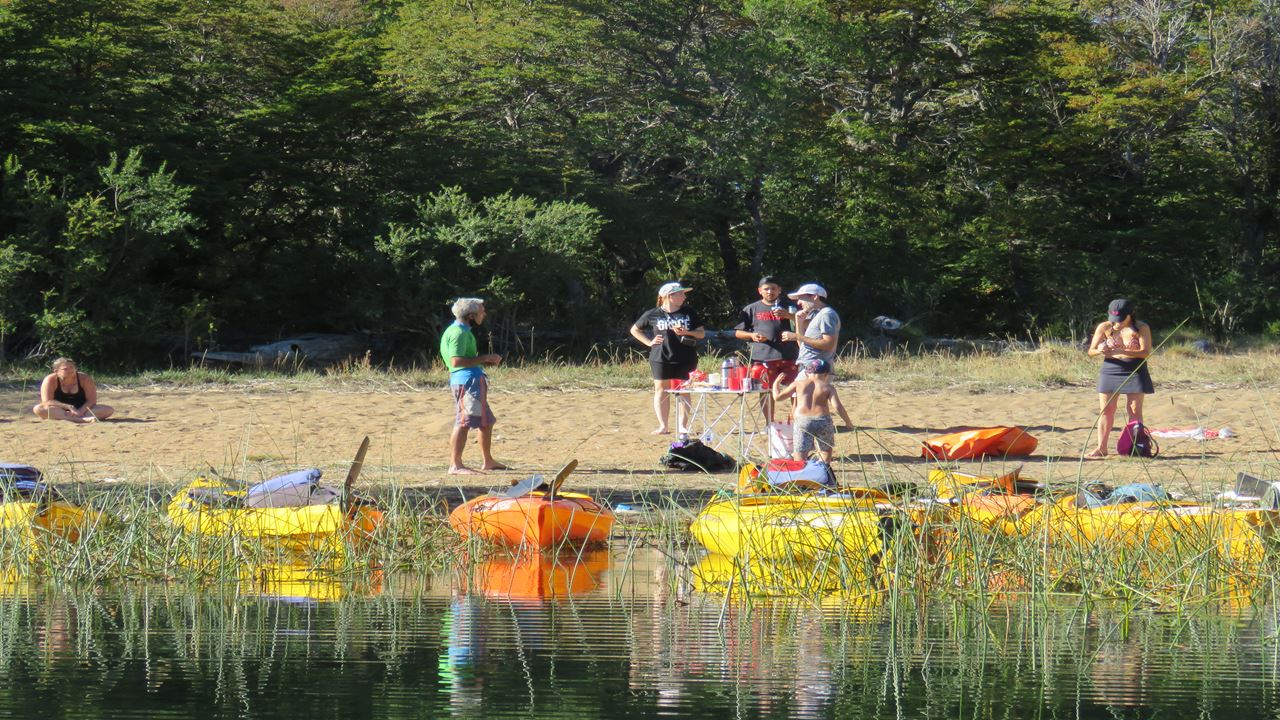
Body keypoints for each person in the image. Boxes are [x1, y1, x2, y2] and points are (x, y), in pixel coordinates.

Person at [441, 297, 508, 475]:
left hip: (472, 380)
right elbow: (456, 361)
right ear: (471, 315)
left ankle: (488, 461)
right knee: (464, 421)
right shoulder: (458, 333)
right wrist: (486, 358)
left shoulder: (462, 330)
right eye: (481, 311)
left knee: (486, 422)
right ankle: (455, 465)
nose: (484, 313)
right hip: (467, 381)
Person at [630, 282, 706, 435]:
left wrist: (687, 332)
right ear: (669, 297)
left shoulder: (688, 312)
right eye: (680, 294)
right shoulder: (653, 313)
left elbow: (701, 333)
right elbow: (635, 330)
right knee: (661, 390)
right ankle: (663, 426)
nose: (684, 296)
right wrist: (649, 342)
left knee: (684, 390)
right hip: (660, 356)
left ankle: (682, 426)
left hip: (685, 357)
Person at [1086, 298, 1154, 458]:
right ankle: (1101, 447)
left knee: (1134, 409)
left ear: (1131, 314)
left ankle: (1135, 445)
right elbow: (1091, 351)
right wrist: (1101, 349)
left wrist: (1122, 351)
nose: (1117, 323)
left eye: (1121, 318)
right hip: (1110, 369)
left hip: (1134, 369)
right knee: (1107, 409)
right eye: (1114, 319)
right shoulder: (1105, 327)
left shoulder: (1141, 328)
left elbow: (1145, 352)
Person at [733, 275, 799, 422]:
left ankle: (796, 422)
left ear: (779, 290)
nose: (770, 292)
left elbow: (805, 323)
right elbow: (738, 332)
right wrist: (752, 336)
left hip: (789, 355)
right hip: (763, 356)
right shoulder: (751, 309)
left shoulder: (790, 306)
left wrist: (788, 315)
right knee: (766, 391)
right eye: (766, 289)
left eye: (773, 288)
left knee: (795, 390)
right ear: (760, 291)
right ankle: (770, 423)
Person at [771, 358, 853, 464]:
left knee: (800, 451)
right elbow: (837, 407)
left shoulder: (798, 384)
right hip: (822, 419)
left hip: (802, 420)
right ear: (826, 374)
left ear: (806, 372)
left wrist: (776, 383)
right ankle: (824, 469)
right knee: (825, 450)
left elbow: (777, 397)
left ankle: (801, 474)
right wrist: (848, 422)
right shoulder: (828, 387)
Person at [32, 358, 114, 423]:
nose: (70, 370)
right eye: (65, 369)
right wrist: (68, 407)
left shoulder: (84, 378)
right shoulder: (50, 379)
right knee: (38, 409)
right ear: (56, 371)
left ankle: (76, 417)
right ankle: (80, 420)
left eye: (72, 367)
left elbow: (91, 400)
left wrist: (80, 412)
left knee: (108, 410)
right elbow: (47, 401)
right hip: (59, 410)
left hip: (83, 409)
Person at [781, 283, 840, 369]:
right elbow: (803, 346)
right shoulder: (817, 315)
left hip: (817, 368)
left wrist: (796, 336)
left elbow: (828, 344)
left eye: (801, 298)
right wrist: (799, 322)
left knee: (795, 383)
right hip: (809, 366)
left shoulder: (826, 315)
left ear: (814, 297)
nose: (798, 302)